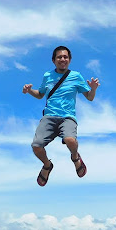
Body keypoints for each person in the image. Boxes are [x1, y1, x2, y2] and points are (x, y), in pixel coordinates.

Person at [22, 45, 99, 186]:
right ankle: (47, 165)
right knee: (36, 146)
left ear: (69, 60)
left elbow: (89, 97)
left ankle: (75, 158)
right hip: (49, 116)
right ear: (54, 60)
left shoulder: (76, 76)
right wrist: (29, 91)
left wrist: (93, 89)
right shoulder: (47, 76)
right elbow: (40, 95)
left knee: (70, 140)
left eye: (65, 57)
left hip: (68, 117)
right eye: (59, 57)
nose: (62, 59)